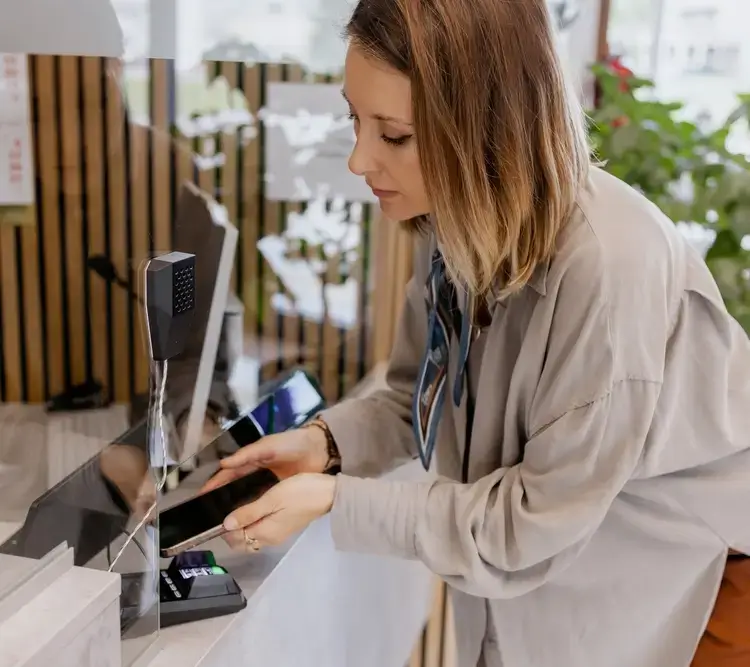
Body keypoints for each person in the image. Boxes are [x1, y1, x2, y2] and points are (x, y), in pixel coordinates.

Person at [201, 1, 750, 665]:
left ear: (488, 129)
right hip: (559, 580)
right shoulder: (456, 226)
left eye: (394, 135)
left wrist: (339, 500)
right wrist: (324, 445)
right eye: (355, 120)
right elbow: (417, 393)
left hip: (699, 590)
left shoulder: (612, 269)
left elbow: (531, 521)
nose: (358, 160)